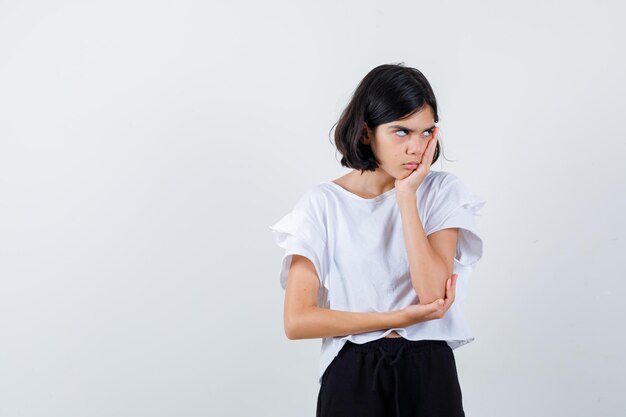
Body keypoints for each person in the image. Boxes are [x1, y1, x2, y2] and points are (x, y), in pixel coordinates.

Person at [269, 63, 486, 417]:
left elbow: (433, 295)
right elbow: (297, 321)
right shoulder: (322, 204)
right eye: (401, 132)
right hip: (352, 370)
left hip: (429, 367)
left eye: (425, 132)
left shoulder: (441, 192)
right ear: (367, 132)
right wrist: (396, 317)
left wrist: (406, 197)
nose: (416, 148)